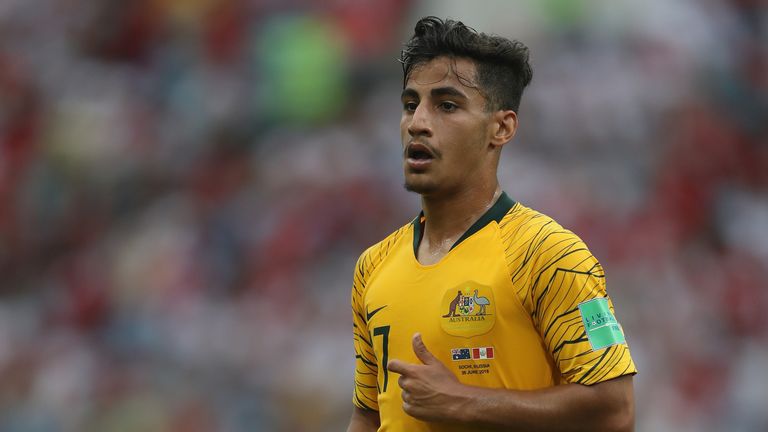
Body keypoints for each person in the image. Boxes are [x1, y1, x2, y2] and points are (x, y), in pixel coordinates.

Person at [347, 16, 636, 432]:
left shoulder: (551, 253)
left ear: (501, 127)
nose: (417, 123)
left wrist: (464, 402)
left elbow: (615, 409)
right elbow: (368, 414)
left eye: (446, 105)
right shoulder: (372, 268)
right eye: (411, 105)